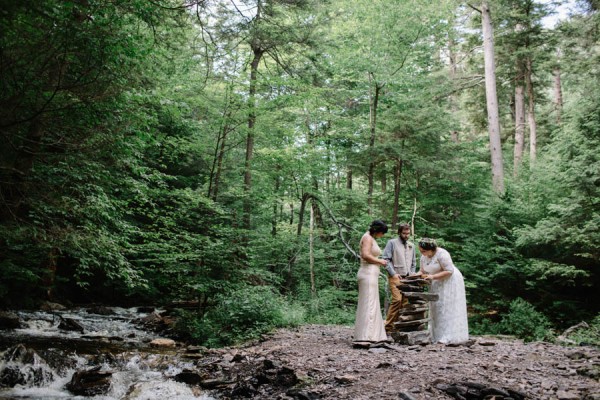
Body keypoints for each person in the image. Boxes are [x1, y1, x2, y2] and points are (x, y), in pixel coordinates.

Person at [418, 238, 469, 344]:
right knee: (436, 306)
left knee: (447, 306)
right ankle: (436, 335)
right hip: (435, 282)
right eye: (421, 251)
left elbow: (449, 271)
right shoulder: (423, 256)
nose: (422, 253)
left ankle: (449, 335)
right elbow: (422, 271)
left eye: (423, 251)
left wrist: (433, 276)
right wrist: (416, 275)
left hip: (449, 282)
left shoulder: (442, 254)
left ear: (431, 249)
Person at [353, 220, 389, 345]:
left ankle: (373, 333)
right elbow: (365, 255)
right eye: (382, 233)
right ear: (377, 230)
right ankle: (367, 334)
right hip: (367, 273)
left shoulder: (370, 238)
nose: (382, 235)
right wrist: (381, 262)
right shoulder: (367, 238)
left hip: (371, 274)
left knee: (372, 302)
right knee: (369, 302)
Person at [382, 223, 417, 331]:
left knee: (405, 302)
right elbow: (386, 259)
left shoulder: (412, 245)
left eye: (408, 233)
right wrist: (393, 273)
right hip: (395, 276)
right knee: (397, 300)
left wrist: (411, 274)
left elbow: (413, 262)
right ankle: (388, 327)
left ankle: (399, 327)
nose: (406, 235)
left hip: (408, 278)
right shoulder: (392, 243)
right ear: (399, 232)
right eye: (404, 233)